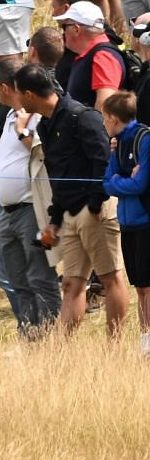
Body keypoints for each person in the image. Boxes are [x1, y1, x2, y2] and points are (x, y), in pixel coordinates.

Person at [15, 63, 130, 337]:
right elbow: (58, 175)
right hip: (69, 215)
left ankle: (114, 346)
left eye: (18, 94)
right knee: (71, 284)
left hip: (95, 211)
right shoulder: (46, 124)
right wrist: (56, 219)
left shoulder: (82, 116)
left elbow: (103, 161)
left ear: (29, 94)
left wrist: (93, 206)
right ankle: (62, 350)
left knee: (109, 277)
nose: (17, 101)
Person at [0, 57, 61, 338]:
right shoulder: (7, 116)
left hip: (32, 211)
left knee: (40, 276)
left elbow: (44, 153)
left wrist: (23, 132)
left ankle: (51, 338)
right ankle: (29, 335)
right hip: (7, 212)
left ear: (7, 87)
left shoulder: (38, 116)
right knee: (18, 279)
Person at [99, 91, 150, 356]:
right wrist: (120, 177)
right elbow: (107, 183)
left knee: (148, 286)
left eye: (105, 119)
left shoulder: (144, 139)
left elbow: (141, 184)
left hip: (144, 221)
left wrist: (121, 182)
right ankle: (145, 340)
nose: (104, 125)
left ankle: (148, 341)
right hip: (127, 223)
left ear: (114, 118)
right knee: (140, 286)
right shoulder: (117, 143)